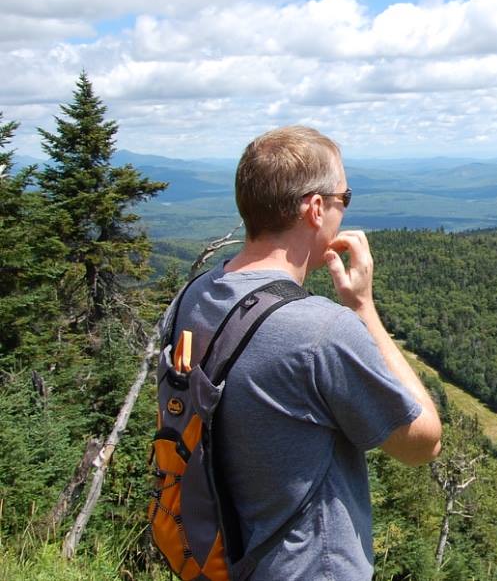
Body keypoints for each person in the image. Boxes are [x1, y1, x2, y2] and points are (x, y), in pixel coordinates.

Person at [170, 125, 442, 579]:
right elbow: (423, 443)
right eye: (344, 199)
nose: (344, 211)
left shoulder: (192, 297)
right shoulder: (320, 331)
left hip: (219, 560)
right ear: (316, 208)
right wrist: (362, 308)